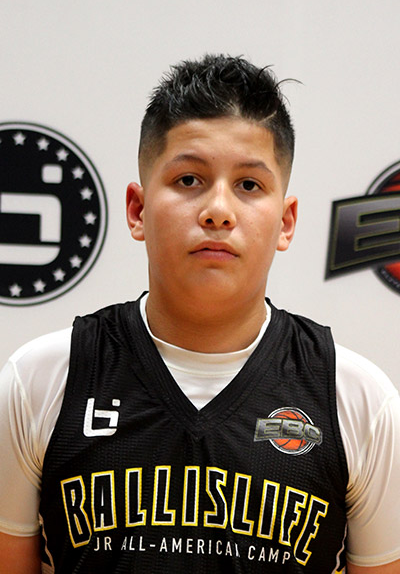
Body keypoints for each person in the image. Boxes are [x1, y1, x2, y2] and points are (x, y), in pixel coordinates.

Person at [0, 54, 399, 574]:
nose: (218, 210)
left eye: (249, 185)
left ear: (286, 222)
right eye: (189, 179)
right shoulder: (40, 380)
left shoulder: (359, 400)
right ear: (138, 210)